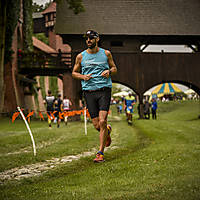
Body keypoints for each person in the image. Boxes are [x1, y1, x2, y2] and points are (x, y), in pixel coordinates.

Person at [72, 30, 117, 163]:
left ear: (97, 39)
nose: (88, 40)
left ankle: (100, 153)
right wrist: (82, 76)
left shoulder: (106, 54)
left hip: (104, 90)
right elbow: (74, 73)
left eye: (91, 38)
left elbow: (114, 68)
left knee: (103, 121)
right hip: (89, 92)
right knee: (97, 125)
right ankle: (107, 131)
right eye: (87, 38)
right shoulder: (80, 56)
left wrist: (109, 71)